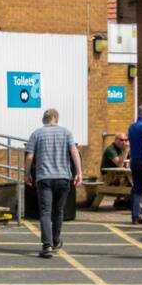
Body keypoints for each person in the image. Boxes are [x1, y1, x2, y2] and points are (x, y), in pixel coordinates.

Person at [25, 108, 84, 258]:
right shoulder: (66, 132)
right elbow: (74, 152)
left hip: (44, 178)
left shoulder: (36, 133)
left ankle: (47, 246)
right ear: (56, 119)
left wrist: (27, 173)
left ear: (44, 120)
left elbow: (30, 156)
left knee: (45, 212)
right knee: (58, 211)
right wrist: (79, 172)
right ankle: (56, 240)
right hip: (64, 177)